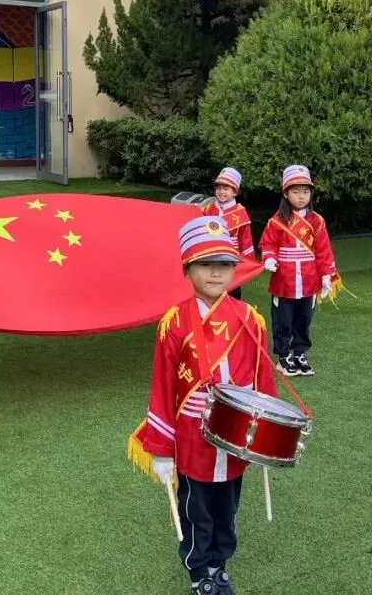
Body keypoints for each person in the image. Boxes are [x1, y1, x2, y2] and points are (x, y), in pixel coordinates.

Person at [128, 216, 278, 595]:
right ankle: (199, 572)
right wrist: (162, 450)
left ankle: (219, 563)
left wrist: (267, 434)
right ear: (187, 268)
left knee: (228, 507)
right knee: (196, 510)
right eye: (205, 263)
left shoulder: (250, 318)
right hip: (193, 438)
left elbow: (263, 380)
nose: (215, 272)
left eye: (224, 263)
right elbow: (163, 388)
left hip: (236, 435)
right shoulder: (174, 322)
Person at [258, 165, 340, 377]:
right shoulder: (277, 221)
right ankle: (284, 355)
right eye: (296, 191)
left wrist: (326, 275)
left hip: (309, 277)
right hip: (284, 278)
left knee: (304, 318)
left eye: (305, 191)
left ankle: (300, 352)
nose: (301, 196)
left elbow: (323, 250)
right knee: (283, 319)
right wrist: (269, 258)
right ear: (286, 193)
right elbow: (268, 243)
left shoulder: (317, 221)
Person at [200, 167, 255, 299]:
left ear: (235, 192)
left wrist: (248, 266)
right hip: (209, 261)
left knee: (231, 298)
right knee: (208, 297)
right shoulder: (207, 210)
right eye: (219, 188)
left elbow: (246, 242)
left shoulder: (240, 214)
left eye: (226, 188)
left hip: (231, 264)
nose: (221, 192)